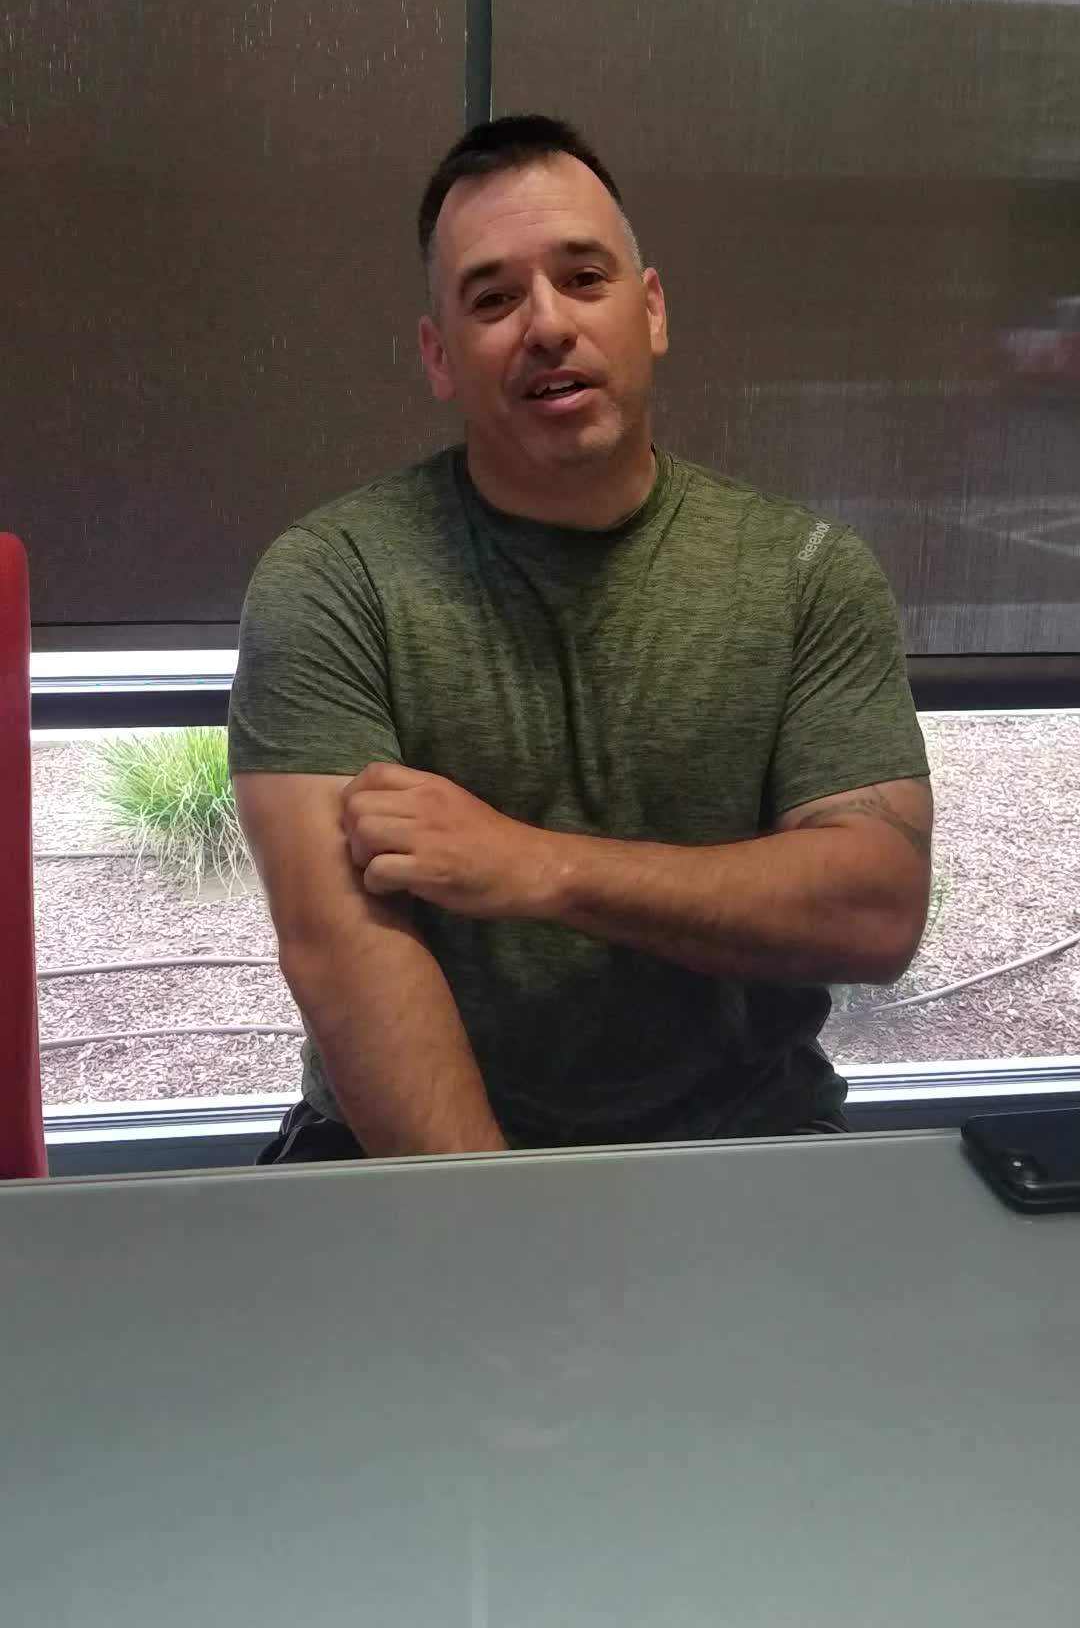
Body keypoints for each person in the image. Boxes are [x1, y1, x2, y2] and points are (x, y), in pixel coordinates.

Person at [229, 114, 932, 1163]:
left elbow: (874, 910)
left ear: (651, 311)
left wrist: (539, 868)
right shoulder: (334, 578)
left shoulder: (806, 572)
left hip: (746, 1142)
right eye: (492, 299)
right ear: (439, 357)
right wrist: (512, 1235)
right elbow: (342, 952)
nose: (547, 324)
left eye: (584, 278)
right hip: (414, 1167)